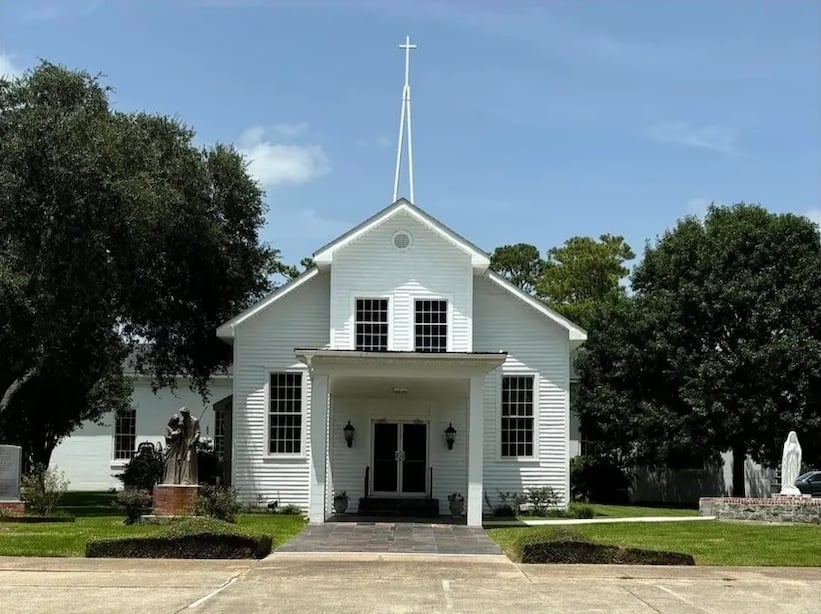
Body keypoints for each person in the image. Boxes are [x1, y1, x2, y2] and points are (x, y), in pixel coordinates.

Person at [779, 430, 802, 496]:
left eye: (794, 436)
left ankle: (792, 484)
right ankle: (787, 485)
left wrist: (796, 451)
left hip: (794, 461)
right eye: (792, 436)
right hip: (788, 462)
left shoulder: (796, 444)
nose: (793, 438)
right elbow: (785, 454)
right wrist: (790, 451)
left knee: (793, 472)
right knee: (789, 472)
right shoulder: (787, 444)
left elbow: (799, 452)